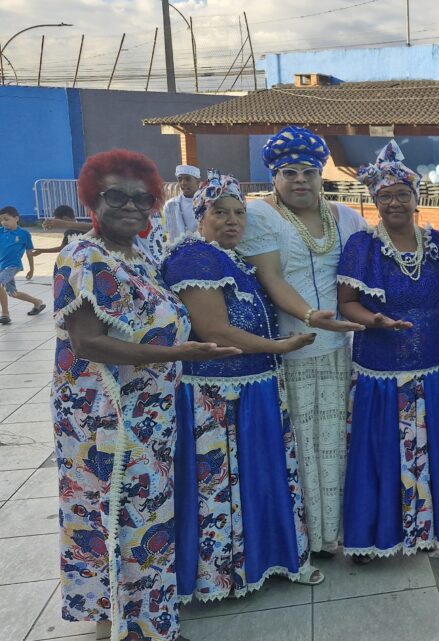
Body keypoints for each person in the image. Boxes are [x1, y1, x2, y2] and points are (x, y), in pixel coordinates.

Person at [52, 149, 238, 641]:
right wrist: (179, 354)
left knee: (147, 514)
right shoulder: (83, 254)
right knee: (114, 513)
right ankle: (126, 625)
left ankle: (146, 617)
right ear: (93, 198)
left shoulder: (141, 254)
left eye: (143, 198)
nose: (132, 206)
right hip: (105, 414)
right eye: (117, 196)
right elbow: (87, 342)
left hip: (150, 411)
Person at [162, 170, 322, 602]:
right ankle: (220, 575)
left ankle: (260, 560)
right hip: (219, 397)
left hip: (253, 386)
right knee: (223, 482)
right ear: (201, 213)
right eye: (220, 211)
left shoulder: (230, 259)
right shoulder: (193, 257)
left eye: (239, 213)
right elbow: (215, 329)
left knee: (255, 478)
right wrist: (278, 345)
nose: (233, 221)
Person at [238, 126, 368, 557]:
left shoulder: (345, 216)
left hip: (337, 351)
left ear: (321, 175)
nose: (300, 181)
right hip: (288, 350)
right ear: (274, 177)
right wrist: (311, 316)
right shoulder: (261, 217)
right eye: (289, 172)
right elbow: (271, 277)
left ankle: (335, 532)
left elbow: (368, 268)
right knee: (299, 445)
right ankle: (302, 537)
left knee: (335, 442)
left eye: (309, 172)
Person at [338, 141, 439, 561]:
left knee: (431, 451)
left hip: (433, 369)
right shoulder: (363, 248)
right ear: (374, 200)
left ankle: (427, 530)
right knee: (383, 455)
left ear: (417, 198)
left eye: (401, 194)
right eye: (385, 195)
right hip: (381, 374)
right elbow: (346, 303)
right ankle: (381, 533)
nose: (393, 202)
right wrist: (375, 321)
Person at [0, 206, 46, 323]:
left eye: (6, 219)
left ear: (16, 218)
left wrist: (32, 269)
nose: (3, 222)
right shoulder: (1, 231)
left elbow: (29, 253)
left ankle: (5, 314)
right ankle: (37, 303)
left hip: (13, 266)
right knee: (13, 293)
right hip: (2, 266)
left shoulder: (24, 234)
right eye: (1, 220)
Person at [162, 164, 201, 244]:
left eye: (187, 179)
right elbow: (167, 233)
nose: (183, 183)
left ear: (197, 182)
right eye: (180, 179)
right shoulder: (170, 205)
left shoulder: (206, 204)